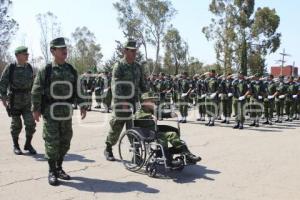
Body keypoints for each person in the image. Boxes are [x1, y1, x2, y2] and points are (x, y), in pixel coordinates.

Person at [31, 37, 87, 186]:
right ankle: (52, 171)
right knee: (52, 142)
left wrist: (83, 105)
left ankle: (59, 167)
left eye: (65, 48)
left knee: (65, 142)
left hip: (66, 112)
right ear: (52, 51)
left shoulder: (71, 70)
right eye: (60, 48)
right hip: (50, 112)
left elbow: (78, 89)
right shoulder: (46, 70)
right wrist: (35, 109)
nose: (64, 51)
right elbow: (36, 90)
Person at [104, 39, 147, 161]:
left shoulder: (138, 66)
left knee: (134, 128)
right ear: (125, 51)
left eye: (135, 51)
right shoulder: (119, 66)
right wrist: (123, 102)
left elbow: (143, 85)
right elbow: (116, 86)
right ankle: (108, 148)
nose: (134, 53)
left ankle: (136, 153)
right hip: (120, 103)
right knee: (116, 128)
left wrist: (149, 98)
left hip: (134, 103)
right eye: (132, 51)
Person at [134, 92, 201, 167]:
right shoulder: (140, 111)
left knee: (173, 134)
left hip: (155, 131)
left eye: (153, 101)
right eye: (151, 101)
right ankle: (168, 160)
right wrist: (150, 116)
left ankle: (187, 154)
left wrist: (170, 114)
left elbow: (161, 113)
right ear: (144, 102)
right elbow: (138, 116)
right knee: (163, 138)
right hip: (146, 133)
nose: (153, 103)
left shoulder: (152, 110)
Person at [0, 46, 37, 155]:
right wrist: (3, 98)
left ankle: (28, 144)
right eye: (25, 54)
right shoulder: (10, 67)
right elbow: (3, 83)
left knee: (31, 124)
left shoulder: (29, 67)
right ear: (18, 56)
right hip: (14, 100)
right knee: (16, 125)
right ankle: (16, 145)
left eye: (27, 54)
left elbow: (34, 84)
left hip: (27, 100)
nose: (27, 55)